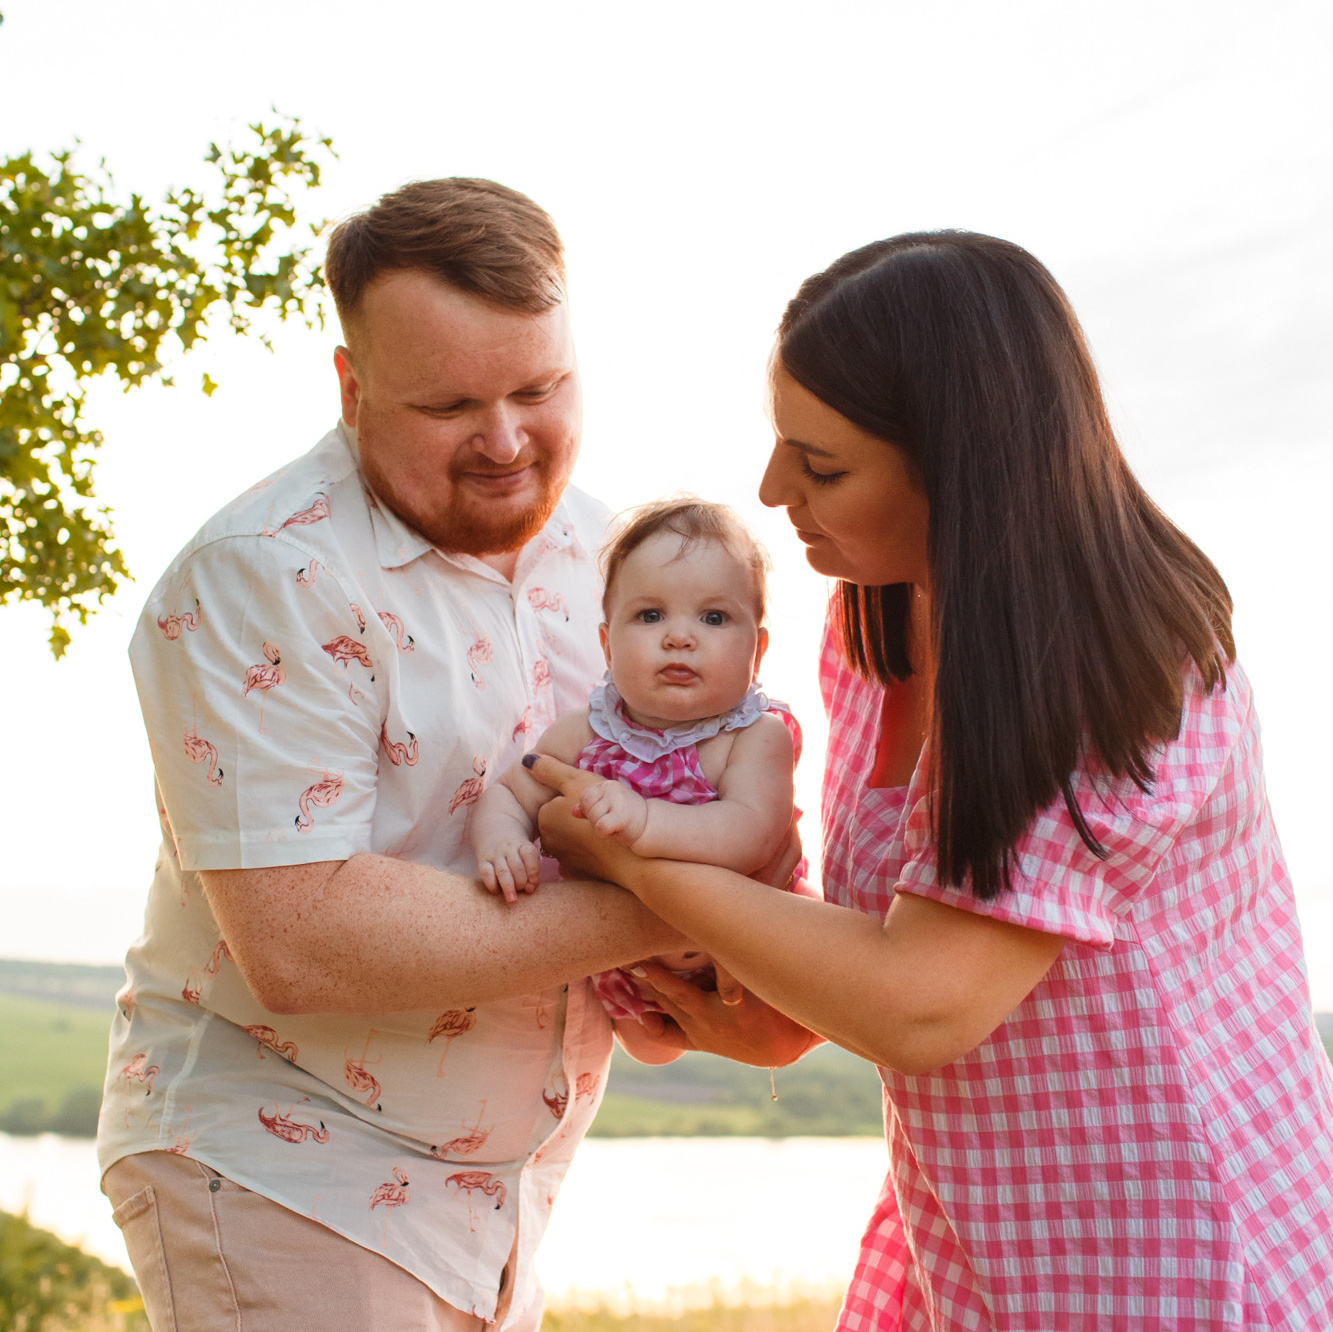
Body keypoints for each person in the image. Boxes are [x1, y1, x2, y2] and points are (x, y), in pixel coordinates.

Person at [530, 232, 1333, 1330]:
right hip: (976, 1231)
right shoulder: (876, 625)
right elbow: (877, 941)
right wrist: (782, 1009)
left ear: (962, 465)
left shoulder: (1121, 662)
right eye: (781, 447)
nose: (771, 492)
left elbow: (922, 1000)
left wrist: (620, 846)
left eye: (821, 467)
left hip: (1167, 1245)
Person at [96, 178, 807, 1332]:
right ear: (352, 386)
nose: (507, 441)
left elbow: (710, 792)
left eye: (540, 388)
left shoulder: (623, 562)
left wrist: (720, 986)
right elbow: (304, 940)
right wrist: (705, 906)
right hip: (287, 1167)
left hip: (509, 1190)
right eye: (450, 405)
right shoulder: (256, 578)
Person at [470, 498, 798, 1062]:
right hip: (624, 961)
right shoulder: (583, 734)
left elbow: (752, 834)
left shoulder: (754, 737)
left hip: (745, 956)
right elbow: (513, 790)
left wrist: (644, 820)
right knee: (650, 1045)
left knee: (769, 1012)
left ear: (759, 649)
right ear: (606, 644)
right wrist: (501, 839)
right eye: (650, 616)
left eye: (713, 618)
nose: (679, 637)